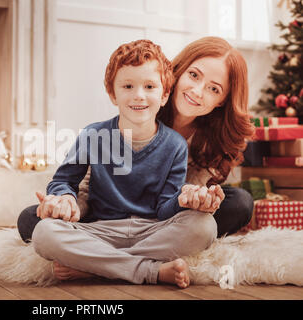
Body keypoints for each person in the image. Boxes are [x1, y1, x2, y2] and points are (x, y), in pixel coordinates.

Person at [23, 39, 224, 288]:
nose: (138, 95)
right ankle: (150, 271)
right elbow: (63, 180)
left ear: (164, 95)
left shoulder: (175, 146)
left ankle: (94, 267)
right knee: (44, 233)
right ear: (112, 93)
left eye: (149, 86)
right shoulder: (92, 135)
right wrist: (64, 198)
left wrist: (183, 200)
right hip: (101, 231)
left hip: (153, 230)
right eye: (128, 86)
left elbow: (164, 209)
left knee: (204, 226)